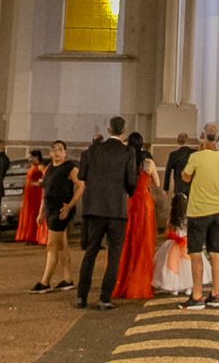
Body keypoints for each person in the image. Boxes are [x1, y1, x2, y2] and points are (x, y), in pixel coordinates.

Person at [73, 116, 137, 310]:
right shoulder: (128, 152)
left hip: (94, 208)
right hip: (117, 208)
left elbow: (82, 175)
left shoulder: (92, 151)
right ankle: (105, 298)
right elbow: (131, 181)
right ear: (123, 131)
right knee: (114, 254)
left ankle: (81, 297)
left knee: (90, 252)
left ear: (108, 129)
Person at [179, 124, 219, 311]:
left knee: (196, 254)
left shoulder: (196, 157)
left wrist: (200, 153)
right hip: (218, 210)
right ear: (217, 138)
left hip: (198, 211)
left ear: (202, 137)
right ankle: (215, 294)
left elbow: (185, 177)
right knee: (215, 254)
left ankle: (197, 295)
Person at [113, 135, 158, 300]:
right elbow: (157, 183)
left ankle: (125, 278)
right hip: (145, 202)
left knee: (128, 240)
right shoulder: (148, 162)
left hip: (130, 201)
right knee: (144, 241)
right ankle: (142, 280)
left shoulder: (126, 160)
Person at [31, 141, 77, 293]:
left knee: (52, 246)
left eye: (60, 150)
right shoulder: (49, 168)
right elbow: (46, 190)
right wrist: (40, 212)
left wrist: (69, 206)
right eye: (54, 150)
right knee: (62, 246)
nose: (57, 152)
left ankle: (45, 282)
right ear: (50, 153)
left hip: (61, 209)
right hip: (50, 209)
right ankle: (67, 279)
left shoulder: (70, 167)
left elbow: (82, 185)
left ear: (65, 153)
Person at [151, 192, 191, 296]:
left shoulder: (171, 219)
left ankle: (174, 288)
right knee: (187, 266)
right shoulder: (188, 218)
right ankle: (188, 287)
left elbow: (166, 233)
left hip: (173, 244)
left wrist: (174, 237)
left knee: (171, 266)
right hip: (186, 243)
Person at [14, 151, 46, 246]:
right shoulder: (31, 167)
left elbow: (46, 178)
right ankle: (29, 236)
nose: (29, 159)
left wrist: (36, 183)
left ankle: (35, 237)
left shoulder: (40, 167)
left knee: (34, 213)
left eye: (31, 157)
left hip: (36, 194)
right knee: (28, 213)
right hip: (29, 195)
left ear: (36, 157)